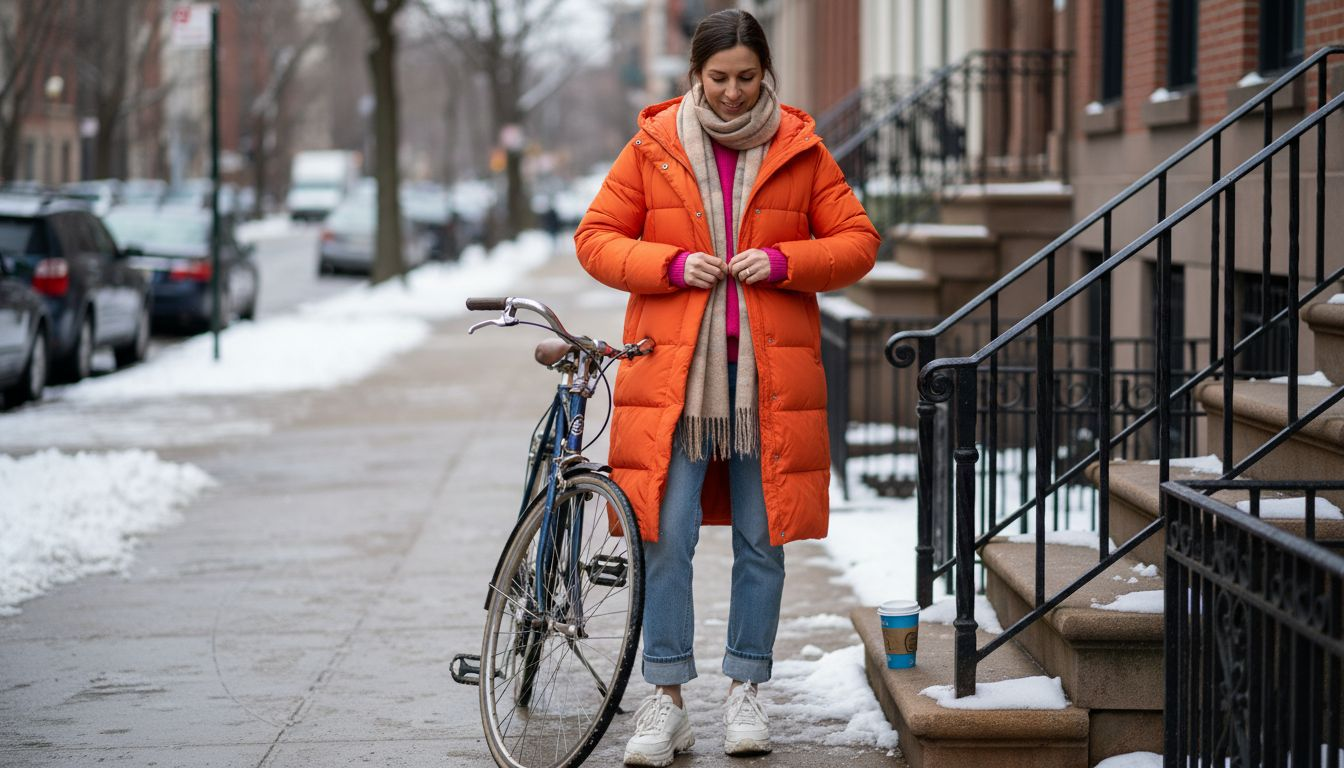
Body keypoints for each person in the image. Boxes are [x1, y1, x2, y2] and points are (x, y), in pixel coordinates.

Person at [574, 8, 878, 766]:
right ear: (695, 76)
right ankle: (668, 698)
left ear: (764, 72)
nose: (735, 93)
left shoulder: (800, 148)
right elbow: (596, 239)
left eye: (748, 77)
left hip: (768, 385)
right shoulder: (653, 147)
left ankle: (747, 688)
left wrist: (783, 262)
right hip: (675, 380)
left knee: (761, 539)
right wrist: (672, 266)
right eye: (720, 79)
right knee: (663, 535)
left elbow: (858, 243)